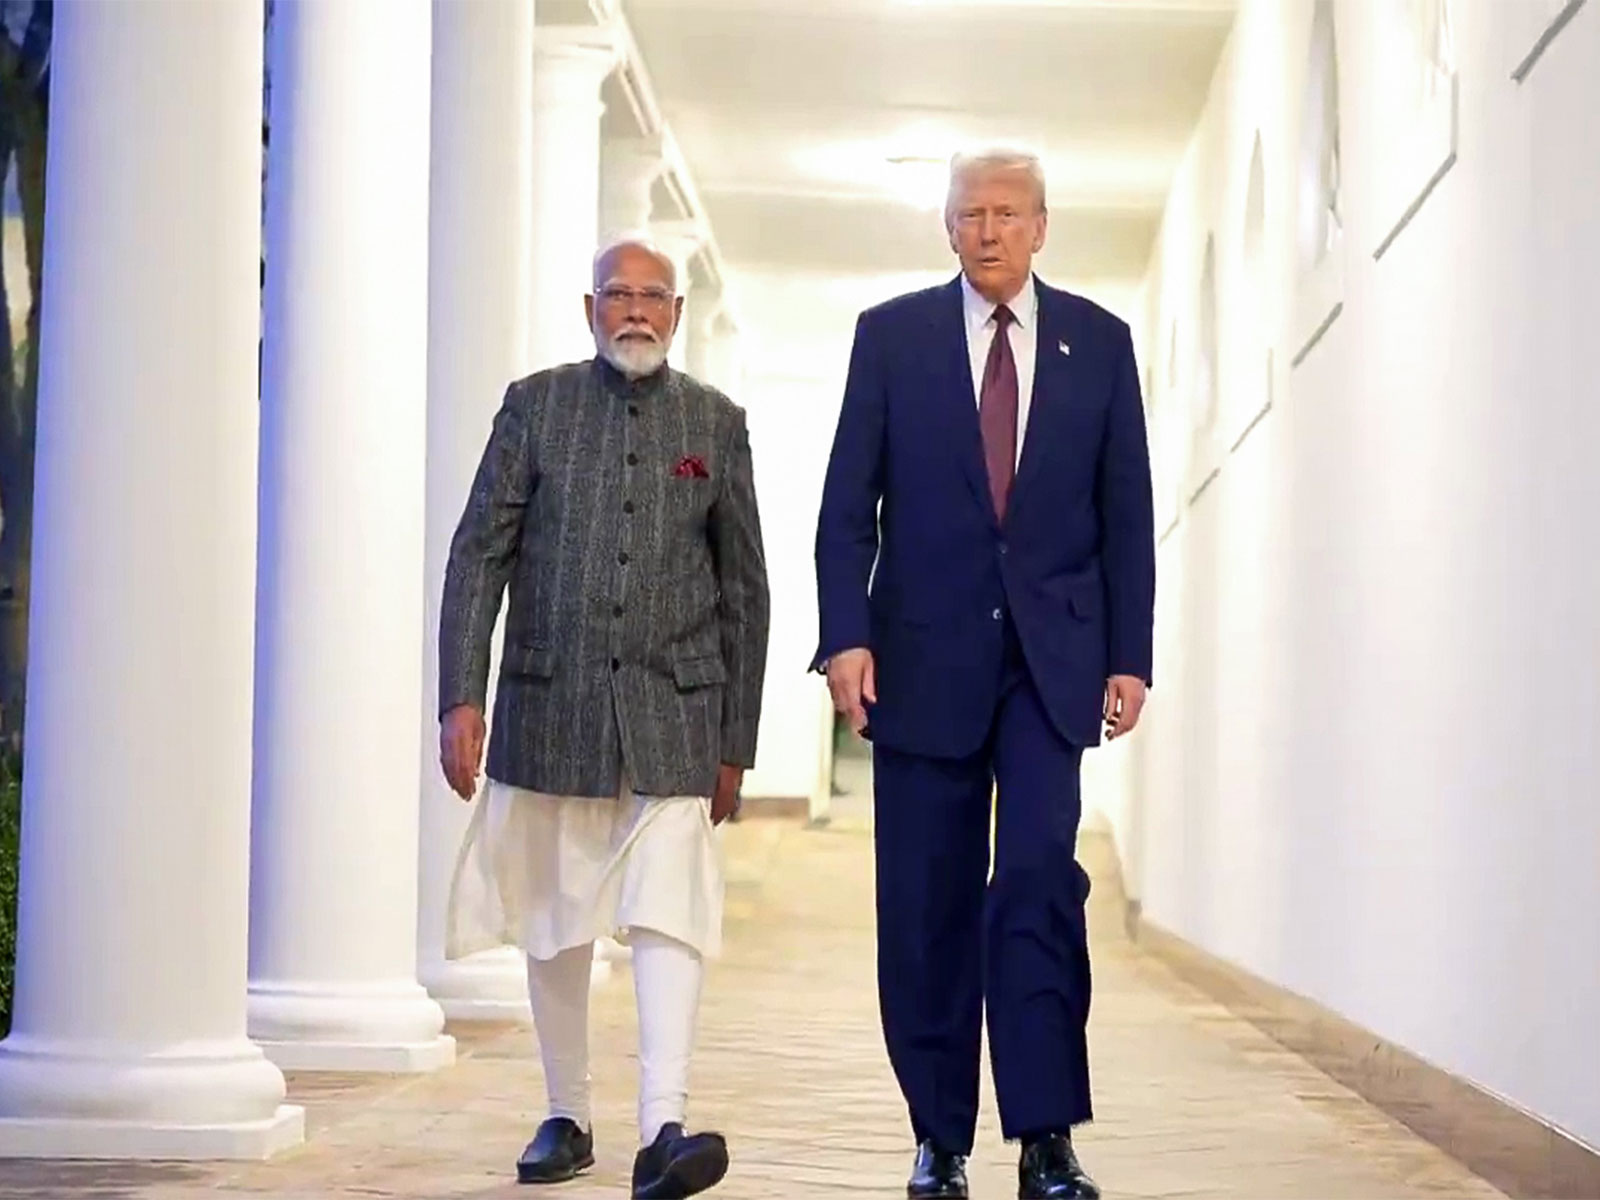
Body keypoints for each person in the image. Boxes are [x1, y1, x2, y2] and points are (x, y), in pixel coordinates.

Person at [811, 148, 1155, 1200]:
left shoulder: (1098, 344)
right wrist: (846, 637)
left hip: (1050, 669)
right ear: (947, 229)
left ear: (1043, 226)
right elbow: (844, 510)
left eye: (1009, 213)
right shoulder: (892, 339)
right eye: (972, 214)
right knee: (925, 903)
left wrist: (1129, 656)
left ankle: (1045, 1137)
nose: (991, 230)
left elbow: (1125, 515)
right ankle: (939, 1135)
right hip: (921, 663)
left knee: (1039, 886)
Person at [437, 235, 770, 1199]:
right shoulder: (534, 408)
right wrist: (461, 692)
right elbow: (478, 555)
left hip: (676, 714)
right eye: (616, 295)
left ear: (676, 311)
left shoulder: (718, 422)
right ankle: (566, 1114)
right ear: (590, 311)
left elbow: (745, 590)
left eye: (652, 297)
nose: (634, 310)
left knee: (671, 910)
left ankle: (664, 1125)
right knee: (555, 915)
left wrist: (735, 743)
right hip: (552, 705)